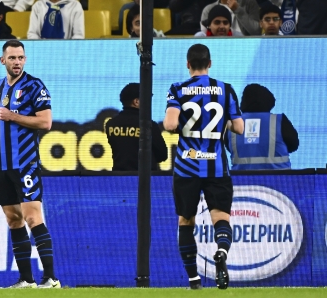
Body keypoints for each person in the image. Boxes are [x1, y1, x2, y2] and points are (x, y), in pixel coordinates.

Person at [0, 40, 60, 289]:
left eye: (20, 57)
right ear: (2, 61)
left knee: (32, 216)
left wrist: (13, 116)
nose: (17, 62)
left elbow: (45, 122)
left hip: (25, 163)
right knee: (13, 219)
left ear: (25, 60)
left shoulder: (34, 86)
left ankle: (50, 278)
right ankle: (26, 280)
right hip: (2, 166)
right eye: (12, 58)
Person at [163, 44, 244, 290]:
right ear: (210, 64)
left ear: (188, 64)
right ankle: (221, 250)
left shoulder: (178, 89)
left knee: (186, 220)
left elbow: (169, 124)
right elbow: (239, 128)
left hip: (187, 166)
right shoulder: (225, 90)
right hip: (217, 167)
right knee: (221, 218)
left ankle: (194, 280)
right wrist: (221, 125)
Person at [225, 84, 299, 170]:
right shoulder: (279, 120)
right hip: (278, 181)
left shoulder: (233, 123)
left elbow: (229, 147)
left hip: (242, 181)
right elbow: (294, 145)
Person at [105, 83, 168, 171]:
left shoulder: (110, 124)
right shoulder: (149, 125)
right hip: (145, 180)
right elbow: (162, 155)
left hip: (119, 178)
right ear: (136, 102)